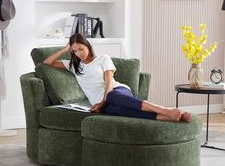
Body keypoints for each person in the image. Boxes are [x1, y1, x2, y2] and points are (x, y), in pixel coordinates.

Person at [43, 33, 192, 122]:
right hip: (100, 104)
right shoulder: (74, 66)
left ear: (87, 45)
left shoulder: (103, 59)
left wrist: (103, 101)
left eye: (81, 49)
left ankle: (166, 110)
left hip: (117, 91)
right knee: (117, 111)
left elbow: (109, 82)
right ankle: (170, 117)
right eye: (75, 51)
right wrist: (64, 49)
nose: (79, 53)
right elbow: (46, 63)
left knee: (113, 97)